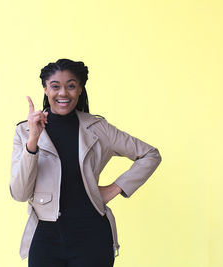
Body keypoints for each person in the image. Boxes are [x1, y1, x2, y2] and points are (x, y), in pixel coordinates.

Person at [10, 58, 162, 267]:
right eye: (55, 86)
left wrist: (116, 188)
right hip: (46, 239)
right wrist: (33, 140)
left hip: (92, 237)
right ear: (45, 89)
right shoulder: (24, 131)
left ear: (80, 89)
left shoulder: (99, 129)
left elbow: (150, 154)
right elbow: (20, 193)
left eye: (71, 86)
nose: (63, 93)